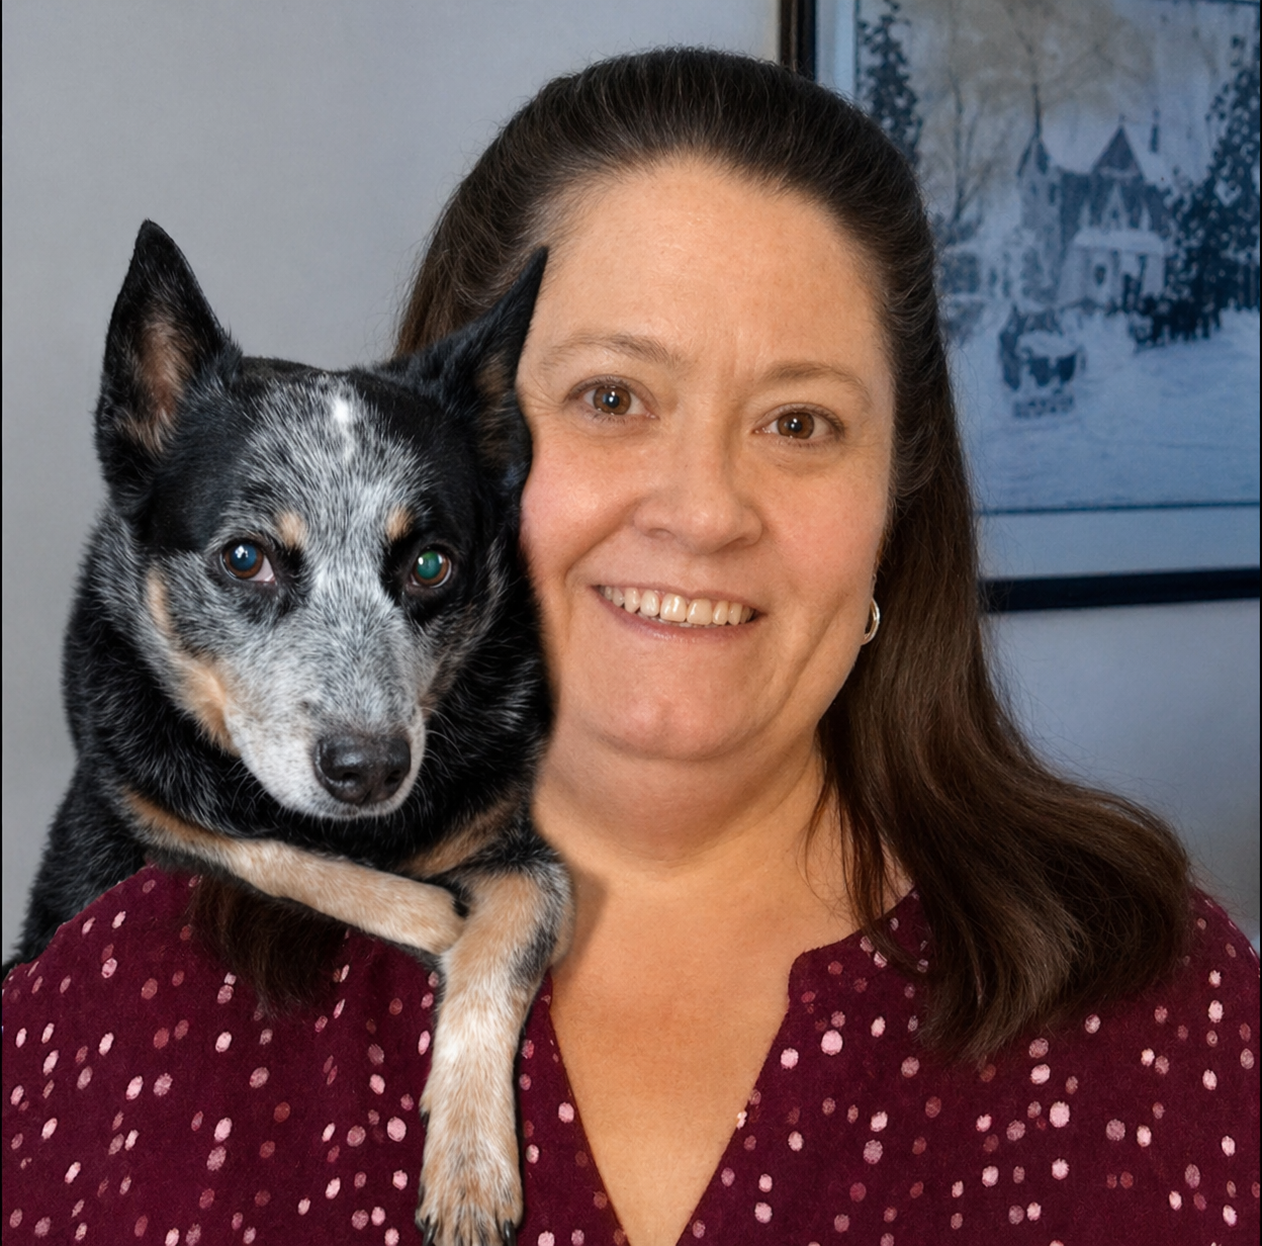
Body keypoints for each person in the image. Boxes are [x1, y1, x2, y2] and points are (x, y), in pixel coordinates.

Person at [4, 48, 1258, 1246]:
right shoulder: (128, 995)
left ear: (893, 504)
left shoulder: (1165, 1007)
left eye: (800, 420)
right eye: (612, 399)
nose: (704, 510)